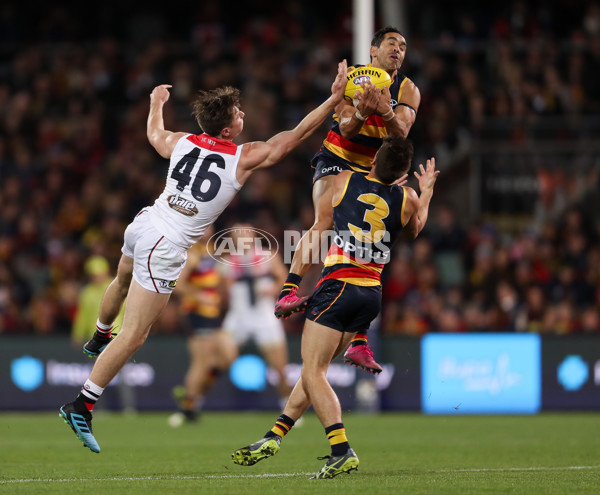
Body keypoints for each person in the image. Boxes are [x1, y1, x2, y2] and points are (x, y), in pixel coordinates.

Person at [58, 59, 349, 454]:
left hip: (145, 221)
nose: (244, 114)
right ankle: (83, 403)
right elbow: (293, 137)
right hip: (167, 242)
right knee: (136, 335)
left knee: (121, 280)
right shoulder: (241, 157)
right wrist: (333, 99)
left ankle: (98, 334)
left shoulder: (182, 140)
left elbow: (154, 134)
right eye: (238, 112)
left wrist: (156, 101)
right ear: (228, 129)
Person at [233, 137, 438, 479]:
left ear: (373, 160)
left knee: (313, 372)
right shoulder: (409, 199)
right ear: (403, 172)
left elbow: (320, 225)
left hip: (338, 285)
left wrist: (292, 284)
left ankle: (341, 449)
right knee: (316, 372)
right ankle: (274, 435)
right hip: (371, 293)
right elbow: (416, 229)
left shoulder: (345, 181)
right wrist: (426, 190)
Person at [274, 26, 421, 375]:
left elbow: (400, 135)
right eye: (391, 44)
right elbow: (345, 129)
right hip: (339, 157)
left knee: (373, 245)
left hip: (376, 168)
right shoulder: (352, 79)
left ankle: (358, 340)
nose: (398, 50)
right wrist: (359, 112)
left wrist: (385, 111)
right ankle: (289, 290)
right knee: (324, 221)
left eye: (402, 46)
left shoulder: (407, 89)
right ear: (373, 51)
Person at [220, 224, 293, 409]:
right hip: (237, 316)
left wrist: (273, 290)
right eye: (237, 234)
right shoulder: (226, 261)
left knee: (279, 367)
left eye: (246, 233)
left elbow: (285, 279)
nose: (242, 237)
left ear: (253, 236)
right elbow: (221, 293)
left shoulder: (268, 256)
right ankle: (196, 401)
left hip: (264, 316)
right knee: (221, 357)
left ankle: (288, 405)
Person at [169, 226, 235, 424]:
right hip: (196, 312)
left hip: (214, 314)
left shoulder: (212, 250)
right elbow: (177, 285)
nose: (207, 230)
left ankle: (191, 394)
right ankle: (188, 407)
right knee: (202, 361)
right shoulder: (191, 253)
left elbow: (217, 279)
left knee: (227, 357)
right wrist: (198, 295)